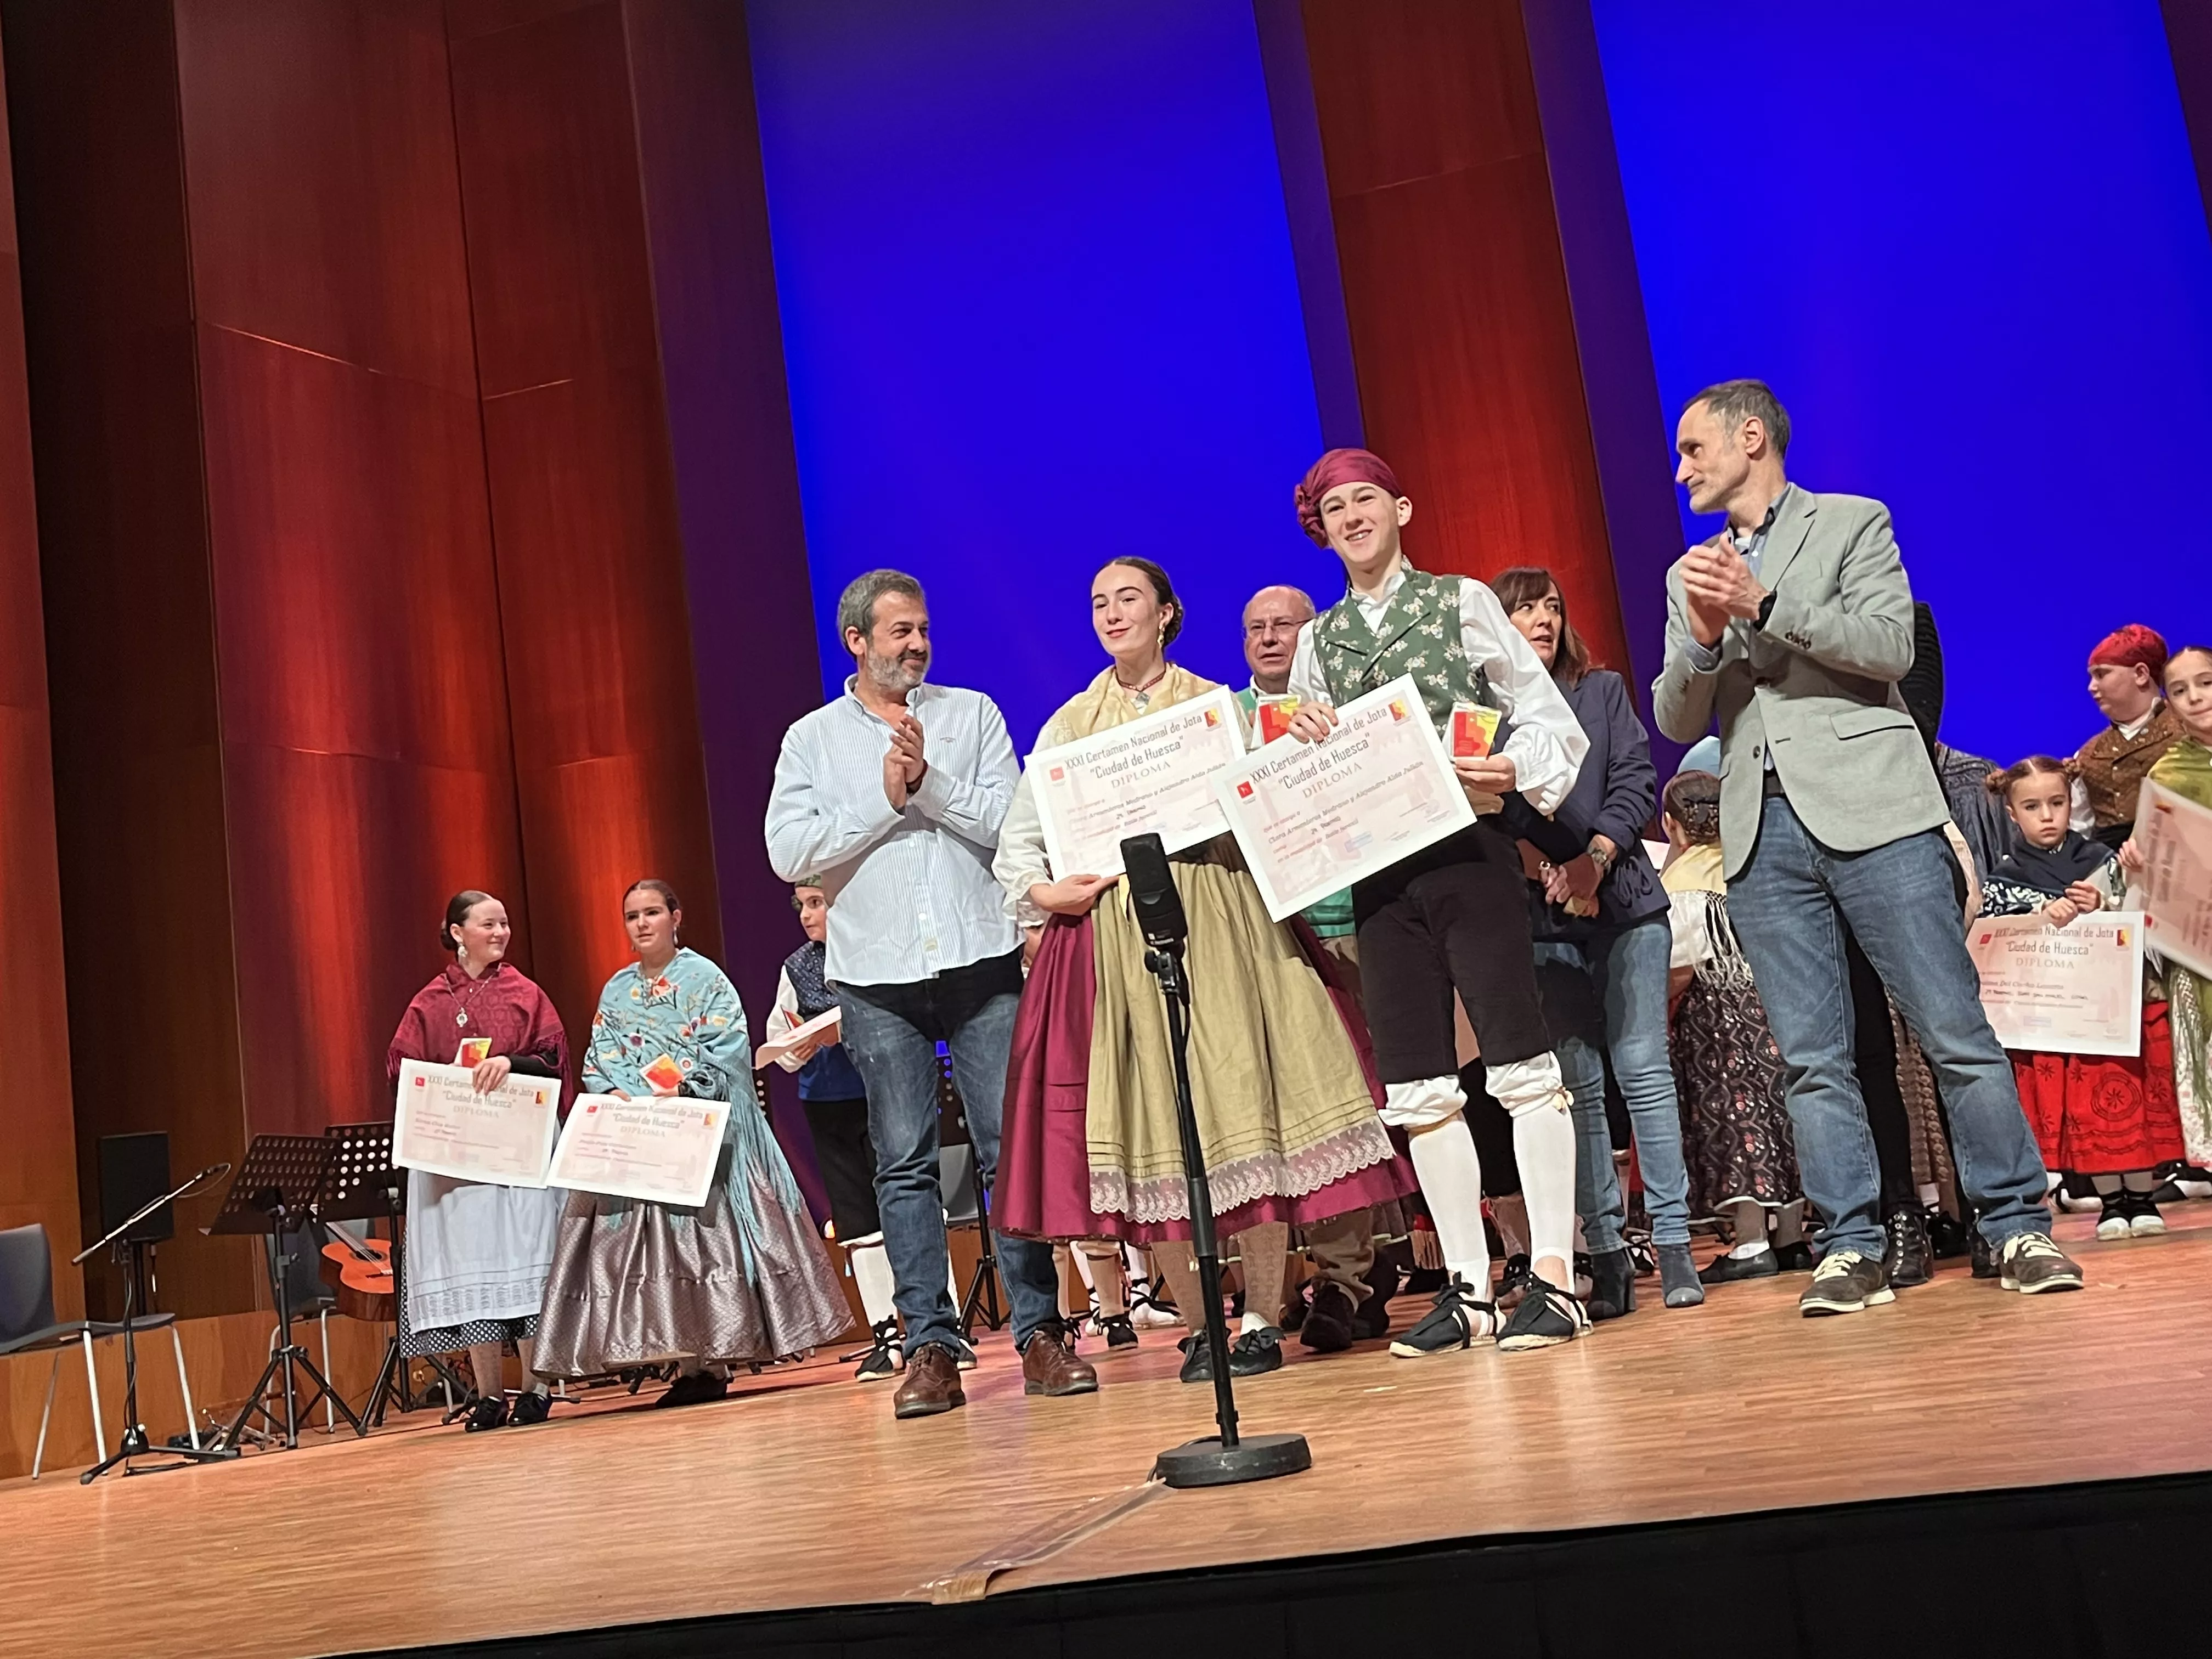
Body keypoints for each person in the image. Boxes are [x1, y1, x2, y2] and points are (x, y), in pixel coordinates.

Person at [1653, 378, 2080, 1314]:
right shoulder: (1691, 573)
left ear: (1749, 437)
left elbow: (1888, 647)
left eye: (1693, 446)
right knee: (1810, 1055)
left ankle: (2013, 1222)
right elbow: (1676, 711)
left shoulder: (1851, 522)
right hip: (1762, 831)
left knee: (1951, 1029)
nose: (1680, 466)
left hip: (1874, 811)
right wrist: (1700, 639)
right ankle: (1847, 1241)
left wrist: (1764, 604)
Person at [995, 560, 1408, 1384]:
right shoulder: (1072, 725)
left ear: (1167, 613)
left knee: (1241, 1107)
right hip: (1122, 936)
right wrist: (1045, 892)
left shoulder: (1215, 710)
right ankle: (1199, 1324)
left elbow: (1281, 795)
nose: (1112, 613)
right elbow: (1021, 843)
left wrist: (1298, 745)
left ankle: (1258, 1313)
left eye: (1129, 599)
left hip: (1222, 920)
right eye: (1098, 602)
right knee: (1158, 1125)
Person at [1282, 447, 1595, 1355]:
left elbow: (1543, 718)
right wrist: (1301, 739)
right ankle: (1466, 1285)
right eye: (1334, 507)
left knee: (1519, 1060)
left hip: (1468, 850)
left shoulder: (1460, 600)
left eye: (1366, 499)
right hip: (1380, 875)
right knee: (1419, 1082)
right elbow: (1305, 776)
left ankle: (1555, 1276)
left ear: (1402, 507)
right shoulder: (1317, 642)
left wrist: (1513, 767)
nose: (1352, 517)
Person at [765, 570, 1091, 1419]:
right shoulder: (811, 740)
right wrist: (884, 800)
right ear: (858, 643)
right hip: (874, 974)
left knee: (1002, 1148)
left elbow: (1008, 822)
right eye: (899, 631)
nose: (916, 644)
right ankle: (932, 1350)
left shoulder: (972, 713)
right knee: (903, 1164)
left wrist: (928, 782)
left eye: (923, 629)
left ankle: (1040, 1334)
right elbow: (787, 851)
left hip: (980, 957)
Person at [534, 880, 850, 1399]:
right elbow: (601, 1055)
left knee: (701, 1237)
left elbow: (725, 1049)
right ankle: (682, 1359)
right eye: (632, 915)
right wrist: (623, 1094)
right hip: (639, 1133)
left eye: (652, 912)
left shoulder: (705, 978)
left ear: (675, 917)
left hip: (694, 1128)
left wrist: (678, 1087)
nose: (642, 924)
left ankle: (713, 1360)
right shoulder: (616, 989)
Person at [1493, 565, 1701, 1314]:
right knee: (1576, 1088)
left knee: (1643, 1071)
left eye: (1551, 606)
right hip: (1542, 916)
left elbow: (1635, 783)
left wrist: (1594, 862)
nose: (1542, 619)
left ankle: (1675, 1247)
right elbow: (1487, 809)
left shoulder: (1602, 690)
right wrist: (1546, 867)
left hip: (1624, 904)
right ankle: (1607, 1256)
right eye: (1523, 609)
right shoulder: (1484, 711)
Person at [1236, 582, 1393, 1351]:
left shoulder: (1348, 706)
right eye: (1255, 628)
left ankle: (1347, 1281)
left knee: (1352, 1112)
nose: (1269, 639)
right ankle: (1308, 1283)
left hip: (1359, 925)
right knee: (1289, 1119)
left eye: (1285, 626)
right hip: (1268, 944)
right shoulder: (1225, 723)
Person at [385, 891, 569, 1430]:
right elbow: (402, 1070)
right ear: (457, 932)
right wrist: (442, 1090)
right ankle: (489, 1393)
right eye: (489, 924)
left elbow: (555, 1060)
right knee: (472, 1262)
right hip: (457, 1160)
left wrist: (512, 1063)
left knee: (526, 1256)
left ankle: (536, 1387)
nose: (501, 932)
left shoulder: (525, 994)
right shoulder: (430, 1002)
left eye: (506, 923)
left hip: (517, 1151)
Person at [1983, 757, 2182, 1238]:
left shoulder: (2101, 862)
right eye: (2032, 807)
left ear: (2072, 803)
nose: (2047, 816)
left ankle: (2142, 1197)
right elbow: (1993, 939)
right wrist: (2036, 914)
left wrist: (2107, 904)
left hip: (2113, 1007)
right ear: (2012, 814)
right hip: (2059, 1018)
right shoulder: (2003, 879)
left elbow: (2144, 921)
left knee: (2127, 1099)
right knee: (2084, 1107)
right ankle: (2111, 1202)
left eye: (2056, 803)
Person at [1658, 774, 1810, 1280]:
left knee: (1737, 1120)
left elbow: (1680, 966)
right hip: (1777, 1006)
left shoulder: (1682, 886)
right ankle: (1792, 1238)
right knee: (1783, 1116)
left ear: (1673, 826)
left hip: (1717, 1025)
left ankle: (1750, 1243)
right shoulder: (1752, 866)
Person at [765, 883, 901, 1380]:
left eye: (816, 903)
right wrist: (793, 1048)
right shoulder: (797, 965)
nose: (806, 914)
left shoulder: (876, 947)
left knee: (908, 1200)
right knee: (857, 1222)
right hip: (829, 1103)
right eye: (800, 905)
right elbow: (778, 1036)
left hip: (886, 1091)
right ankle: (885, 1333)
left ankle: (938, 1324)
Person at [2125, 645, 2212, 1169]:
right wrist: (2136, 858)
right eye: (2179, 690)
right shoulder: (2168, 773)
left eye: (2205, 682)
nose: (2194, 697)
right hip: (2202, 943)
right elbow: (2153, 860)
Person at [2072, 625, 2181, 849]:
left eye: (2101, 674)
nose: (2091, 687)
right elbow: (2078, 829)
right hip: (2110, 870)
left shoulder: (2188, 731)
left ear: (2141, 674)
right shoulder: (2088, 754)